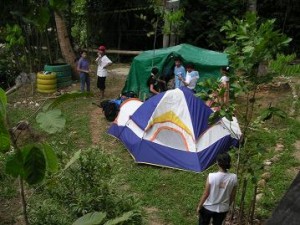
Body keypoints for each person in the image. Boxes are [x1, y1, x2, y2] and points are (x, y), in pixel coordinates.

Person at [196, 153, 237, 225]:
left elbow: (206, 194)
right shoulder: (234, 177)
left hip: (208, 207)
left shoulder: (211, 176)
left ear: (217, 163)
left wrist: (199, 206)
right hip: (223, 209)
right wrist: (227, 205)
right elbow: (232, 195)